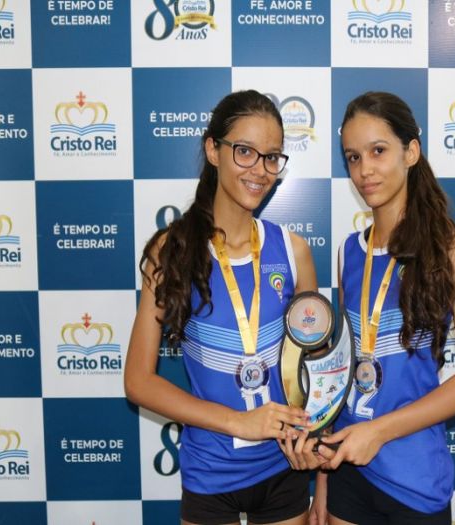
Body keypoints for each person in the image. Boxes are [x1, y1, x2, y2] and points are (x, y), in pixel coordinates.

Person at [124, 90, 317, 525]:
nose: (260, 170)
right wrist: (237, 422)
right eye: (244, 151)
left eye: (272, 157)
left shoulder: (294, 251)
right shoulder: (172, 251)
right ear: (213, 150)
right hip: (211, 472)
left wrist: (313, 441)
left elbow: (315, 366)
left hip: (284, 466)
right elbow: (138, 381)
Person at [304, 92, 455, 525]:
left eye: (378, 151)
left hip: (414, 476)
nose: (364, 170)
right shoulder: (348, 252)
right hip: (348, 467)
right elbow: (340, 371)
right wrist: (323, 481)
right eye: (353, 157)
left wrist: (378, 432)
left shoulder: (446, 245)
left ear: (411, 152)